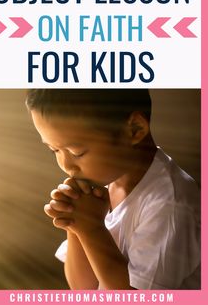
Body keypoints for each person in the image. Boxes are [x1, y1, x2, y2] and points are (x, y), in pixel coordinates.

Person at [26, 89, 200, 290]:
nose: (66, 165)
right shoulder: (104, 179)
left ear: (134, 130)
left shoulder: (170, 205)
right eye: (54, 150)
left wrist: (91, 228)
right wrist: (76, 223)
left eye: (77, 152)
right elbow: (83, 289)